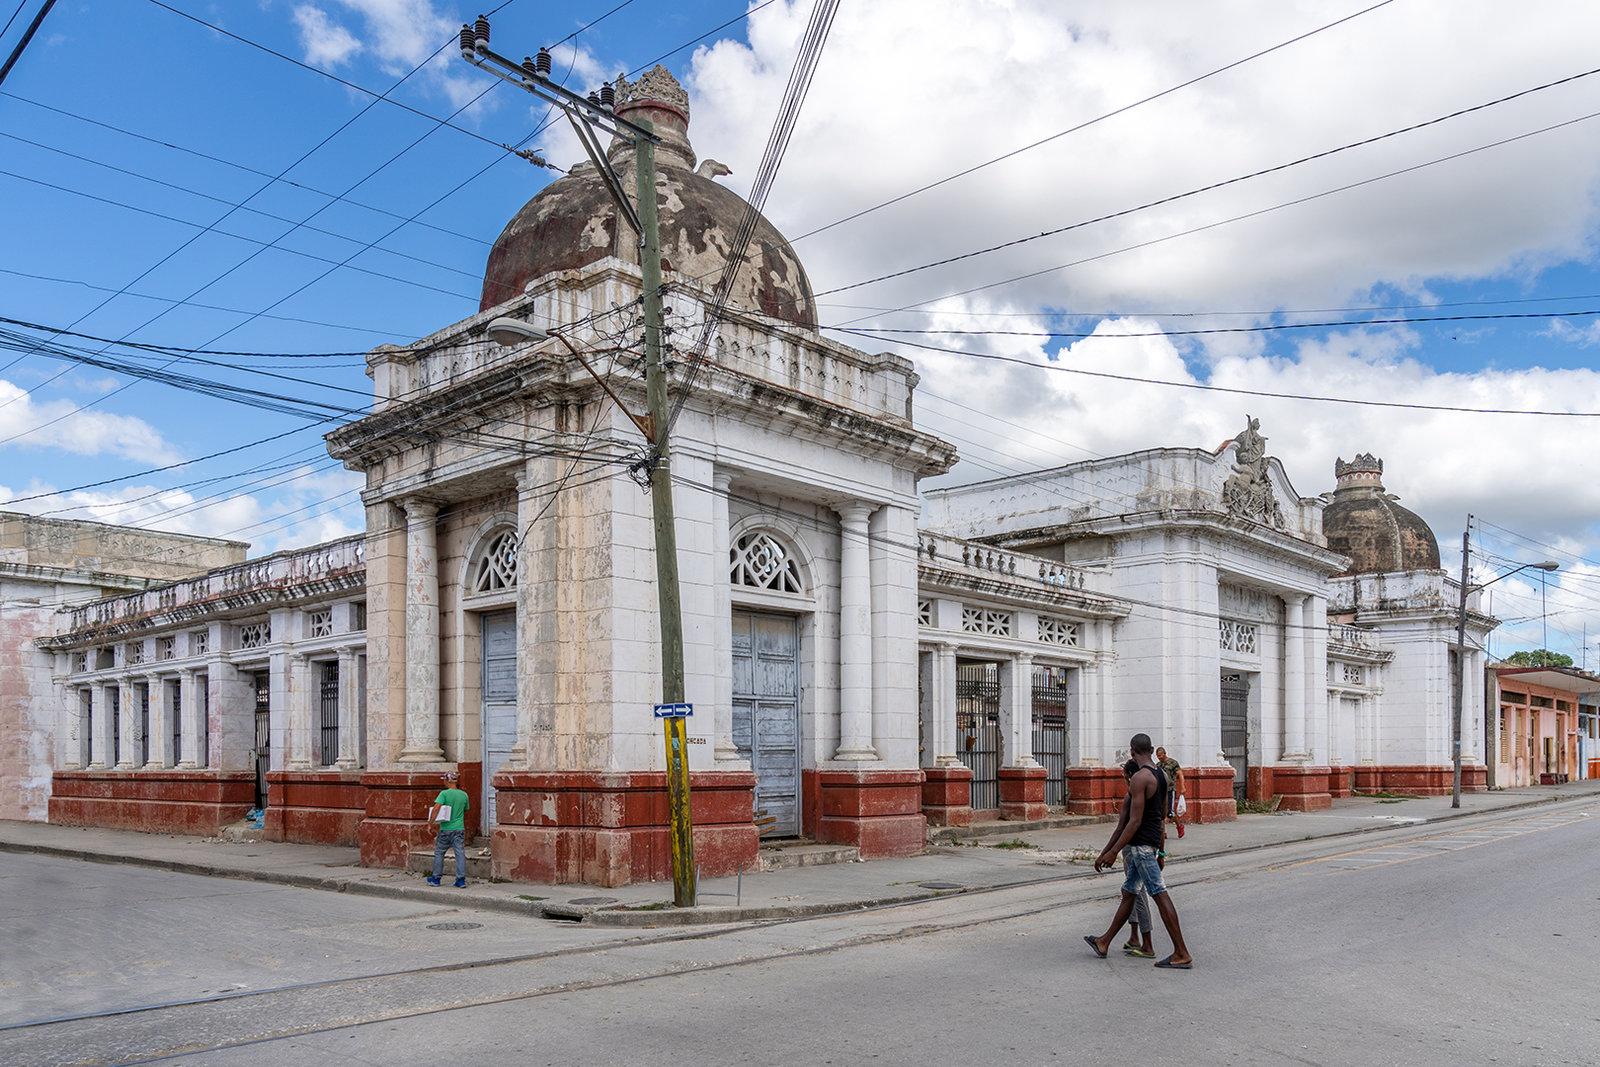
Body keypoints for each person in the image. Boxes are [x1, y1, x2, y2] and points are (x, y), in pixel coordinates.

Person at [1084, 733, 1194, 969]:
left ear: (1132, 751)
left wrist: (1112, 852)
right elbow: (1162, 817)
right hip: (1151, 844)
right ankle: (1104, 942)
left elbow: (1133, 822)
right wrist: (1161, 852)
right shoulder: (1162, 775)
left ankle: (1181, 953)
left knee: (1159, 893)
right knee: (1129, 893)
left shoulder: (1139, 778)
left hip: (1142, 848)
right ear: (1153, 750)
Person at [1119, 758, 1157, 959]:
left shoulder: (1133, 794)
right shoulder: (1147, 789)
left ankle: (1147, 942)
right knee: (1130, 890)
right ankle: (1134, 937)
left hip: (1135, 847)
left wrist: (1109, 851)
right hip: (1138, 846)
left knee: (1140, 893)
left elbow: (1125, 826)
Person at [426, 771, 470, 888]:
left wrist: (430, 823)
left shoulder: (444, 794)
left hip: (446, 829)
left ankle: (436, 878)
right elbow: (465, 809)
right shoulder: (464, 795)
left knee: (439, 852)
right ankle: (460, 880)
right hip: (459, 828)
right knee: (460, 854)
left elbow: (436, 808)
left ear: (447, 781)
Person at [1156, 746, 1186, 838]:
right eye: (1157, 756)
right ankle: (1162, 832)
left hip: (1170, 790)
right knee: (1161, 812)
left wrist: (1182, 787)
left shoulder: (1173, 763)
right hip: (1161, 791)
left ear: (1164, 753)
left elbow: (1180, 774)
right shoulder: (1158, 765)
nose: (1159, 757)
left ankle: (1179, 826)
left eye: (1160, 755)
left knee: (1170, 812)